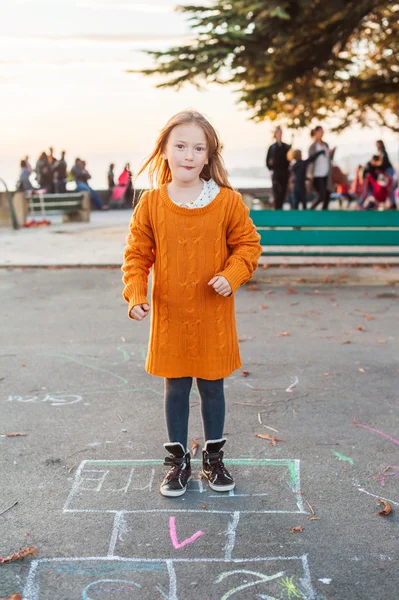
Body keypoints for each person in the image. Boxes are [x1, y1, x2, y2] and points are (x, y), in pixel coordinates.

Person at [121, 110, 262, 498]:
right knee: (176, 388)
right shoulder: (151, 203)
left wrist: (231, 275)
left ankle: (213, 457)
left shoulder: (227, 201)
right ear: (164, 151)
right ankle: (177, 462)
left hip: (212, 316)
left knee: (212, 387)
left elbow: (248, 246)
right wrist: (136, 294)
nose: (188, 154)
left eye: (198, 148)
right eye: (180, 146)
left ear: (208, 155)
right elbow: (136, 255)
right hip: (171, 316)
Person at [308, 126, 335, 210]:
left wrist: (332, 152)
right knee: (322, 195)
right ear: (316, 132)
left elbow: (329, 158)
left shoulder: (325, 144)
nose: (322, 133)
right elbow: (311, 159)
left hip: (326, 173)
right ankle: (311, 209)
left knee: (327, 194)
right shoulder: (312, 146)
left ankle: (324, 213)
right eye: (320, 132)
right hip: (317, 174)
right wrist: (309, 172)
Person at [266, 126, 291, 209]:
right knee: (276, 192)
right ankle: (277, 208)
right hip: (276, 173)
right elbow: (268, 162)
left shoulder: (286, 147)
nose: (279, 134)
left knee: (283, 192)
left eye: (281, 133)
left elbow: (289, 160)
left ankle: (280, 208)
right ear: (275, 134)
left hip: (285, 173)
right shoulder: (272, 147)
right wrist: (271, 168)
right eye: (278, 133)